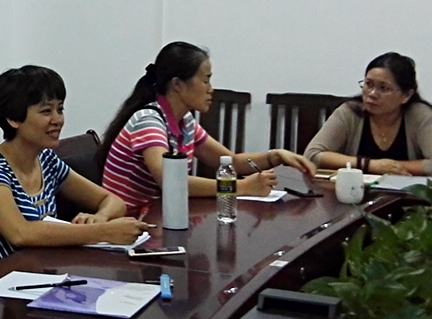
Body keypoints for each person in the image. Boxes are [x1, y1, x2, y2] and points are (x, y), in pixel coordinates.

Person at [0, 65, 152, 270]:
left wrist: (99, 218)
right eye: (46, 111)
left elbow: (112, 201)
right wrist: (104, 232)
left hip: (38, 274)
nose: (58, 120)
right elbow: (20, 233)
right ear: (13, 119)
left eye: (60, 110)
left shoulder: (46, 160)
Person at [101, 42, 314, 209]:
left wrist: (275, 156)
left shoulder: (185, 122)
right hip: (129, 225)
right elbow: (171, 183)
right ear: (178, 85)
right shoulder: (149, 121)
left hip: (161, 216)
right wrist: (239, 187)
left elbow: (230, 162)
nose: (211, 89)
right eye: (205, 80)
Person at [304, 52, 432, 176]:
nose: (372, 94)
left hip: (406, 198)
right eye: (368, 84)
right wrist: (370, 165)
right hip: (353, 196)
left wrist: (391, 168)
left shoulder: (419, 115)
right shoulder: (350, 112)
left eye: (383, 88)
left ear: (406, 95)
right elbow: (312, 155)